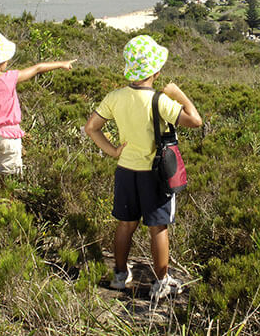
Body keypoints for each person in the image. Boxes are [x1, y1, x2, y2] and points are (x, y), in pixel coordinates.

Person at [84, 35, 202, 302]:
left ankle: (118, 275)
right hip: (154, 175)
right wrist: (178, 93)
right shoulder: (160, 101)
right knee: (157, 227)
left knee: (125, 224)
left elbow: (91, 127)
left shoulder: (114, 97)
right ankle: (161, 282)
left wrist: (113, 150)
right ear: (156, 71)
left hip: (125, 171)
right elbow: (195, 120)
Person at [0, 30, 76, 176]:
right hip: (10, 136)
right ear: (1, 61)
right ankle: (6, 196)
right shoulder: (9, 78)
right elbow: (37, 68)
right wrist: (62, 64)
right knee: (10, 176)